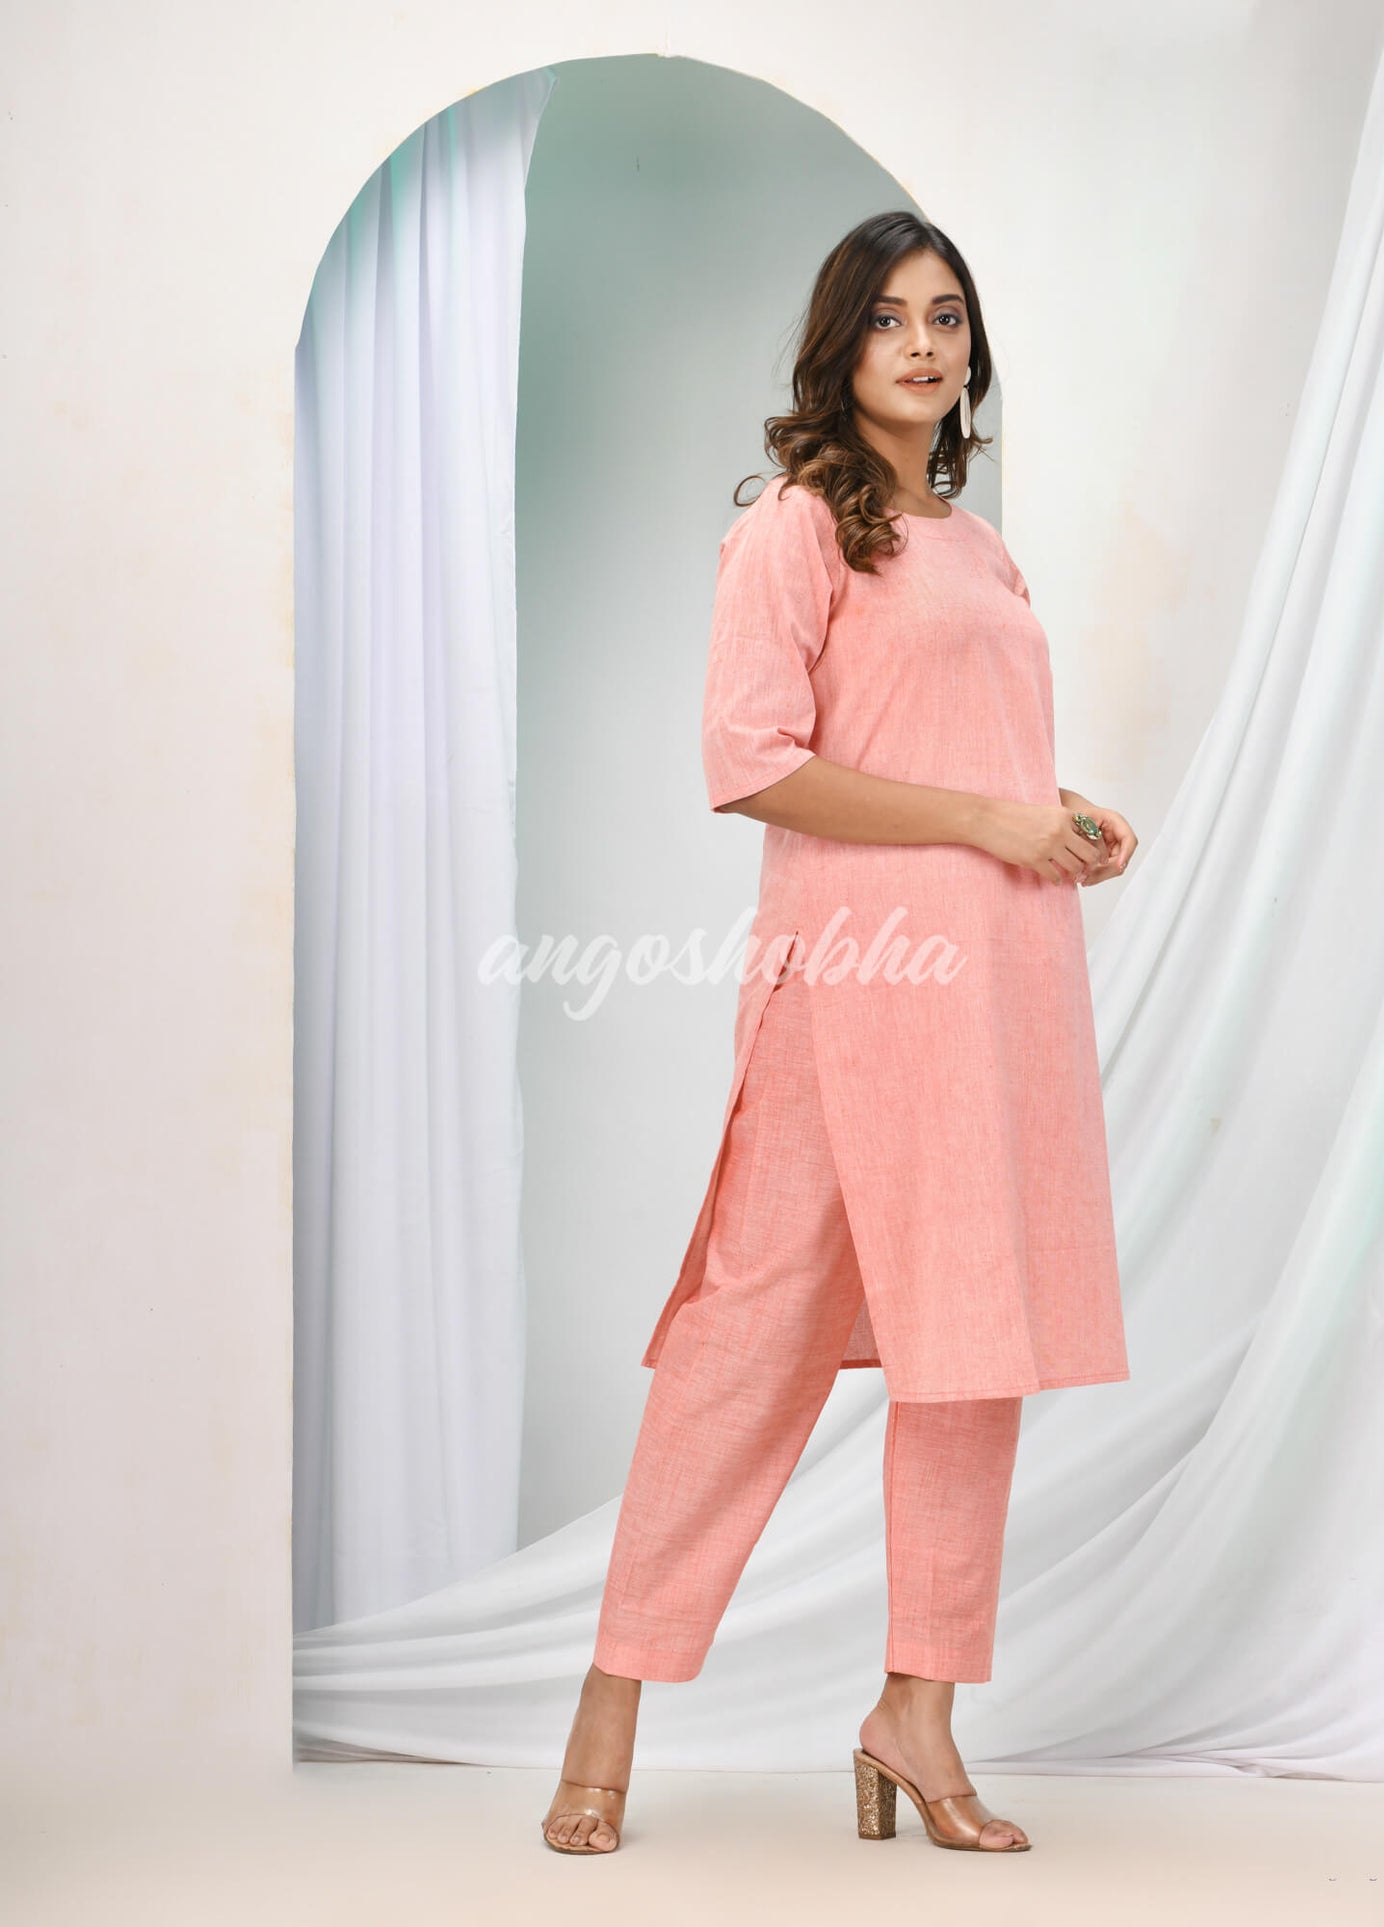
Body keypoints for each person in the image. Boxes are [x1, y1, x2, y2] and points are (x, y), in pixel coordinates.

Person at [541, 210, 1137, 1857]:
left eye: (945, 316)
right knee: (746, 1342)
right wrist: (986, 819)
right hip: (856, 980)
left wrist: (1054, 814)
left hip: (1000, 982)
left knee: (969, 1350)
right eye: (888, 318)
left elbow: (959, 752)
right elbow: (752, 762)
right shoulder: (796, 528)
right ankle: (610, 1694)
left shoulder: (979, 549)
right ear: (838, 345)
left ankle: (916, 1713)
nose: (923, 345)